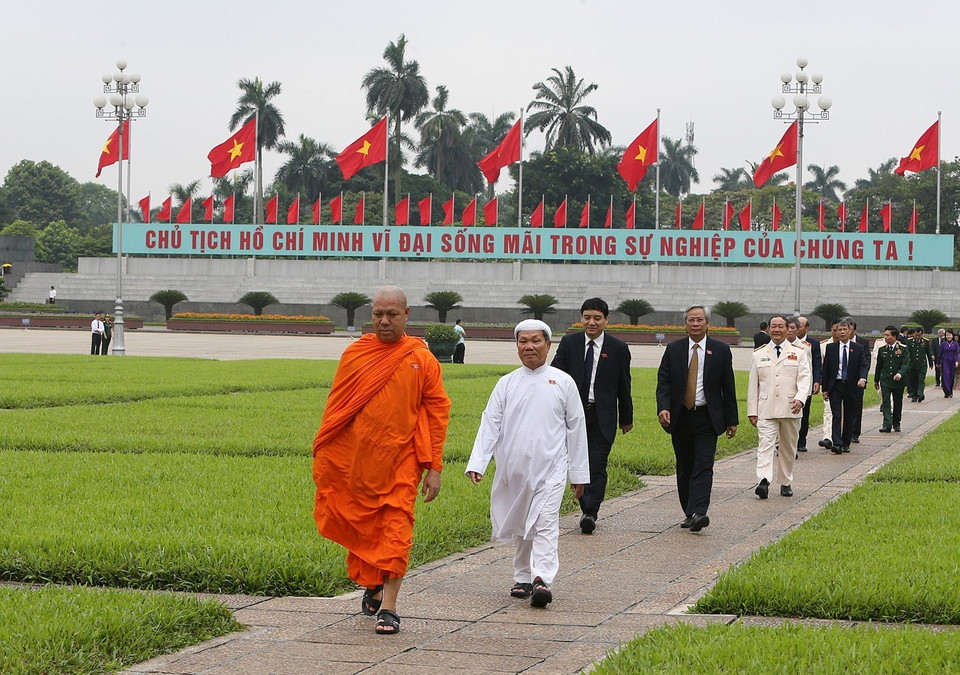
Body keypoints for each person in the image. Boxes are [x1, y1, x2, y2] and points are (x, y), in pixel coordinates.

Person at [312, 286, 450, 635]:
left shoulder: (422, 358)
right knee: (363, 526)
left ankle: (389, 607)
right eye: (378, 314)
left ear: (407, 315)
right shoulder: (356, 354)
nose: (384, 321)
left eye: (392, 314)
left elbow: (437, 412)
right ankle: (373, 583)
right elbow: (338, 411)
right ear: (370, 315)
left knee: (396, 528)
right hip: (356, 462)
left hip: (401, 460)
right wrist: (328, 453)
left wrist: (433, 467)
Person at [467, 319, 589, 608]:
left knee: (545, 522)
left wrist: (579, 473)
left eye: (536, 341)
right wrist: (478, 462)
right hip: (514, 470)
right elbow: (491, 423)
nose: (529, 346)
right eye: (523, 341)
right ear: (517, 346)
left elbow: (577, 427)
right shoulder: (506, 383)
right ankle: (522, 576)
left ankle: (542, 579)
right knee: (523, 523)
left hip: (552, 468)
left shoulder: (563, 381)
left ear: (548, 345)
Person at [551, 298, 633, 534]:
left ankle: (590, 512)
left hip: (602, 416)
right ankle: (585, 507)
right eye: (587, 317)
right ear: (581, 319)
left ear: (606, 320)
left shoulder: (618, 348)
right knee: (575, 462)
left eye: (597, 318)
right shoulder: (569, 343)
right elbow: (555, 378)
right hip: (572, 417)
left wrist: (626, 417)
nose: (591, 322)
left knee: (597, 464)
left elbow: (623, 385)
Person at [656, 305, 738, 532]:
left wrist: (732, 420)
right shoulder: (674, 349)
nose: (695, 324)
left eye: (699, 320)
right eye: (691, 320)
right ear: (685, 324)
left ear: (707, 323)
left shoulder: (720, 350)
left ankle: (699, 511)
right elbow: (663, 382)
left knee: (704, 464)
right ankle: (689, 511)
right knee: (685, 466)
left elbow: (727, 387)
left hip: (707, 418)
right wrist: (663, 408)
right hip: (680, 417)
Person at [747, 315, 810, 499]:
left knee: (788, 448)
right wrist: (752, 411)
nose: (776, 330)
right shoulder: (759, 354)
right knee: (765, 445)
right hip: (766, 408)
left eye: (780, 326)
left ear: (789, 329)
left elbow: (805, 378)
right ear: (768, 329)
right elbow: (753, 385)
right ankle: (764, 480)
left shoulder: (799, 352)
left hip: (791, 407)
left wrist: (800, 399)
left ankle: (785, 481)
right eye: (773, 326)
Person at [821, 318, 870, 454]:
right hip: (835, 385)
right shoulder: (830, 348)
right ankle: (837, 443)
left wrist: (862, 378)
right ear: (836, 332)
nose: (842, 332)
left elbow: (863, 365)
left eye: (844, 330)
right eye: (839, 330)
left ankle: (846, 442)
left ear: (850, 331)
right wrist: (825, 389)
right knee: (836, 414)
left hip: (851, 385)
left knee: (849, 415)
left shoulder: (858, 348)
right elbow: (826, 370)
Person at [791, 316, 821, 453]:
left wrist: (817, 381)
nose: (796, 329)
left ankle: (801, 442)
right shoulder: (785, 344)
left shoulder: (811, 344)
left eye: (799, 326)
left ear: (805, 328)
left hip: (805, 385)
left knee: (804, 414)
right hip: (789, 384)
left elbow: (816, 364)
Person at [874, 325, 910, 433]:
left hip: (898, 381)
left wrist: (899, 374)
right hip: (885, 380)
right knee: (886, 402)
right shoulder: (882, 350)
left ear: (894, 336)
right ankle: (887, 424)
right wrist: (876, 380)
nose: (885, 337)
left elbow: (905, 363)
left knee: (897, 402)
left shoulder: (903, 349)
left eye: (887, 335)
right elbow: (879, 366)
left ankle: (896, 423)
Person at [818, 320, 840, 450]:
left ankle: (840, 437)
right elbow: (822, 367)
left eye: (839, 329)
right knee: (828, 411)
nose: (836, 333)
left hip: (844, 385)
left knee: (840, 413)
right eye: (833, 330)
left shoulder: (852, 346)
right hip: (829, 384)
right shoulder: (824, 346)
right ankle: (828, 437)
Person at [905, 327, 934, 403]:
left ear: (922, 334)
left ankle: (920, 394)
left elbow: (928, 352)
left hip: (922, 364)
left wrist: (931, 363)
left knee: (921, 380)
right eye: (916, 335)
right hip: (912, 365)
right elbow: (907, 353)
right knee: (913, 380)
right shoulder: (909, 341)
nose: (917, 337)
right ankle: (914, 395)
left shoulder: (925, 341)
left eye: (919, 335)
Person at [940, 329, 960, 397]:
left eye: (950, 335)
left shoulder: (955, 344)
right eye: (947, 335)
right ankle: (946, 391)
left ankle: (950, 391)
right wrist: (938, 362)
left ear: (952, 335)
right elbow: (940, 353)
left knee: (951, 376)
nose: (948, 336)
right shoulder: (943, 344)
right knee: (946, 375)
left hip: (952, 362)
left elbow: (957, 353)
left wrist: (957, 361)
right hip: (945, 362)